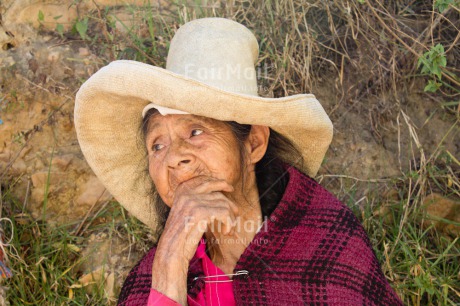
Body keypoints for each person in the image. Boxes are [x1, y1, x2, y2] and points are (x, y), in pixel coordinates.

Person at [74, 18, 402, 305]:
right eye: (157, 145)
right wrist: (170, 268)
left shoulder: (327, 249)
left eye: (196, 130)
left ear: (254, 143)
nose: (174, 157)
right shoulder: (150, 276)